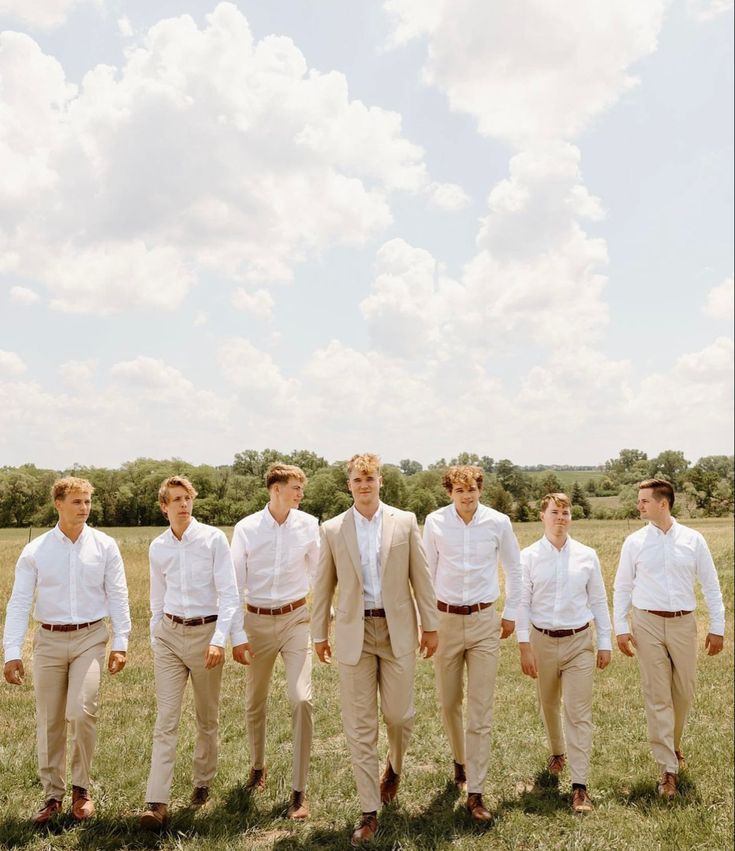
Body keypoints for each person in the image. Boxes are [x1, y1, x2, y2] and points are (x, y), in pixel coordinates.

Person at [311, 453, 438, 846]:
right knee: (359, 726)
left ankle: (395, 766)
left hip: (397, 628)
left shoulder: (405, 521)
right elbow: (323, 583)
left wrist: (430, 625)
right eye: (357, 479)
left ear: (380, 481)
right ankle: (368, 812)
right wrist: (319, 632)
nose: (364, 485)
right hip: (354, 632)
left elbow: (422, 576)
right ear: (348, 484)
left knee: (399, 717)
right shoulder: (332, 529)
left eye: (370, 478)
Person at [2, 476, 131, 824]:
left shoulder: (104, 546)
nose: (84, 508)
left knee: (81, 710)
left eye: (88, 502)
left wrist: (121, 641)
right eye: (77, 502)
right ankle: (52, 797)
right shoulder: (36, 551)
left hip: (90, 637)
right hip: (48, 639)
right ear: (58, 504)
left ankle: (81, 790)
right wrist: (11, 651)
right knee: (50, 719)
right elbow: (18, 603)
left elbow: (118, 595)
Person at [613, 478, 725, 799]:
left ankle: (673, 746)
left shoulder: (693, 540)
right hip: (646, 622)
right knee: (657, 696)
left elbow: (711, 585)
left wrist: (717, 627)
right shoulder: (634, 542)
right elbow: (622, 587)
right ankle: (667, 770)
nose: (639, 505)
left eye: (645, 501)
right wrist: (621, 627)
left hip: (683, 624)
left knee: (684, 693)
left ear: (664, 503)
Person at [140, 476, 241, 829]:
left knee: (206, 717)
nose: (183, 505)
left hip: (205, 636)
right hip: (168, 636)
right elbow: (156, 596)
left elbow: (229, 594)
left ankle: (202, 781)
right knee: (166, 719)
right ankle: (157, 801)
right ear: (164, 506)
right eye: (176, 500)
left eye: (187, 498)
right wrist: (156, 632)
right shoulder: (158, 547)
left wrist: (218, 640)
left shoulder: (213, 539)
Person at [422, 464, 522, 822]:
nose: (467, 496)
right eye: (459, 490)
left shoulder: (498, 523)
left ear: (481, 490)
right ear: (450, 492)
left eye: (472, 489)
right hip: (445, 621)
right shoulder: (434, 522)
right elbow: (426, 574)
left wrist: (510, 612)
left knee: (480, 710)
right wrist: (427, 623)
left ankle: (477, 792)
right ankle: (460, 762)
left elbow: (514, 568)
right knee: (449, 702)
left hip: (484, 621)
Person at [230, 463, 319, 819]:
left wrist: (324, 618)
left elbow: (318, 572)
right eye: (295, 487)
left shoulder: (309, 525)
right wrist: (236, 633)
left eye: (301, 487)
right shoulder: (247, 528)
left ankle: (299, 792)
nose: (300, 493)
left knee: (301, 699)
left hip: (297, 619)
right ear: (275, 489)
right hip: (256, 622)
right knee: (255, 701)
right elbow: (234, 584)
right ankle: (257, 766)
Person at [517, 492, 612, 813]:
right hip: (541, 640)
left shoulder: (587, 555)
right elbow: (522, 603)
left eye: (566, 512)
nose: (561, 518)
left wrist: (605, 642)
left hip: (579, 643)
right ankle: (557, 751)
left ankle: (580, 786)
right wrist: (524, 645)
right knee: (548, 703)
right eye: (555, 512)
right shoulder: (527, 557)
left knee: (578, 711)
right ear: (542, 516)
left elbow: (598, 600)